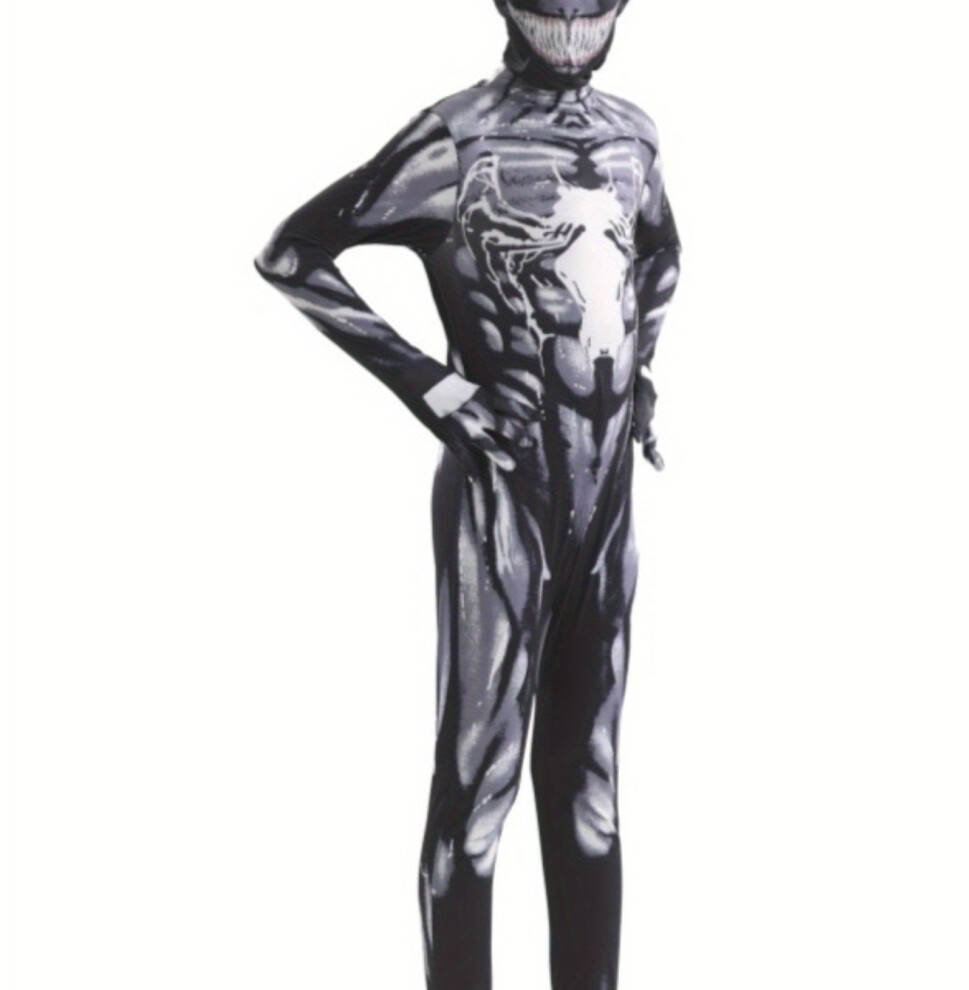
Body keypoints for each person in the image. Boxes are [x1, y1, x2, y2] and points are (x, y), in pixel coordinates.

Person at [254, 1, 681, 986]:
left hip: (606, 500)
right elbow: (294, 253)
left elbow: (660, 249)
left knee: (591, 791)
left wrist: (641, 373)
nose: (572, 23)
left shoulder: (634, 135)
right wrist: (437, 390)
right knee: (477, 795)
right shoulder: (458, 139)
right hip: (502, 503)